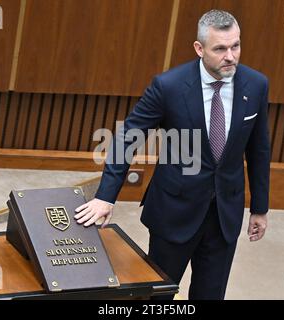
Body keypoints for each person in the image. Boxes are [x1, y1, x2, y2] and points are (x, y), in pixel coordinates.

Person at [74, 9, 270, 300]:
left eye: (235, 46)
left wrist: (260, 208)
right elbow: (128, 137)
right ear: (199, 48)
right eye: (220, 49)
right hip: (174, 212)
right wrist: (106, 196)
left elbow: (259, 149)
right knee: (159, 296)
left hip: (224, 214)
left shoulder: (255, 85)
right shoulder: (169, 86)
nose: (230, 56)